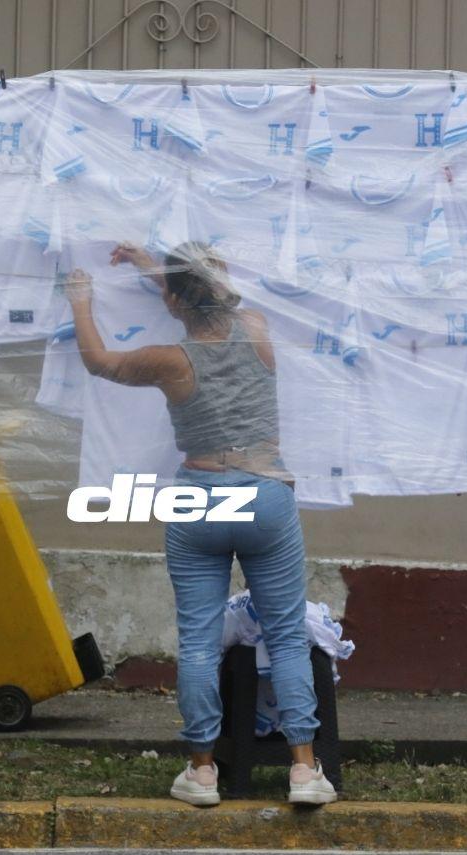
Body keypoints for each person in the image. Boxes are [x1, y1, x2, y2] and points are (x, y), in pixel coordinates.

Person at [64, 242, 337, 807]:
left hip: (200, 501)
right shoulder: (257, 329)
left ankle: (202, 771)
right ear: (221, 285)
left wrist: (81, 300)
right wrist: (155, 268)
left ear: (172, 299)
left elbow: (98, 362)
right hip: (265, 496)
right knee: (287, 638)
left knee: (197, 642)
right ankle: (305, 772)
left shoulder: (169, 359)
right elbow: (196, 295)